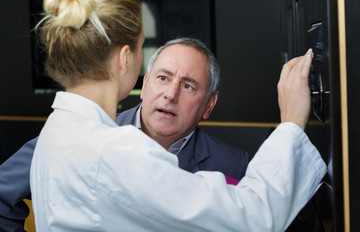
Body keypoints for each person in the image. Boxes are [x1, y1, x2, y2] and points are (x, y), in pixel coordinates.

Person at [12, 0, 326, 231]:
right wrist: (292, 121)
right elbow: (254, 215)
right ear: (126, 59)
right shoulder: (115, 152)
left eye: (188, 86)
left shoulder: (61, 127)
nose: (171, 93)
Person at [0, 40, 248, 231]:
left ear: (209, 104)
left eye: (187, 86)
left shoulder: (232, 165)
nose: (171, 95)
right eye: (163, 78)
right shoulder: (83, 134)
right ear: (146, 84)